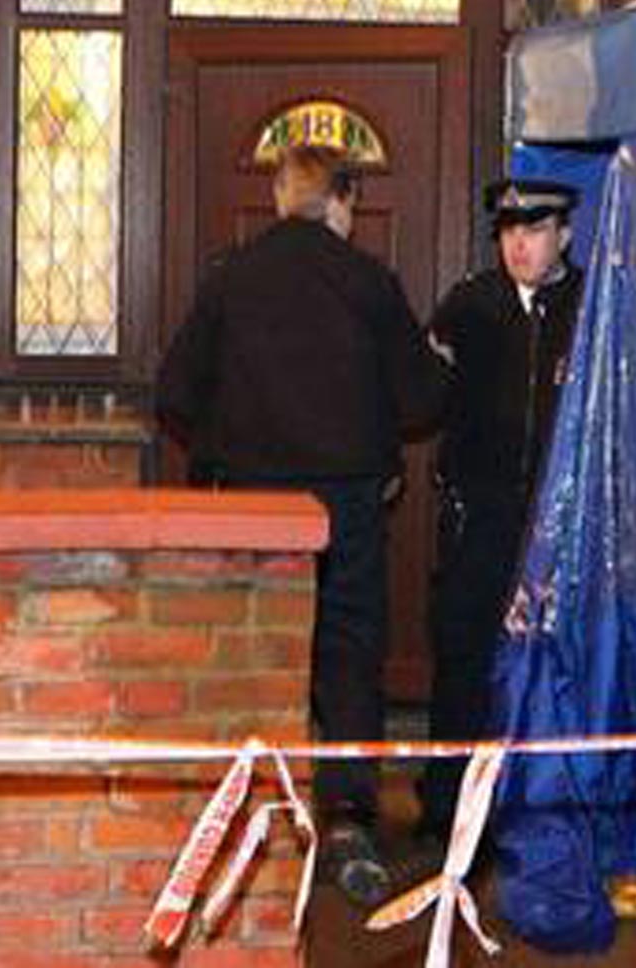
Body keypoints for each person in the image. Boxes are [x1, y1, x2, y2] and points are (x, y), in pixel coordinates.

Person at [155, 144, 445, 908]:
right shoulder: (369, 282)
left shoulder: (231, 280)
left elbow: (175, 391)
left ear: (284, 198)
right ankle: (348, 819)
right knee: (349, 652)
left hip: (253, 501)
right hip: (345, 504)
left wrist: (221, 448)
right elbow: (421, 403)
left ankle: (250, 814)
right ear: (342, 200)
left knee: (258, 648)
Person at [419, 175, 584, 842]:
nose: (519, 244)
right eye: (509, 232)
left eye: (535, 230)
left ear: (563, 235)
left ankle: (544, 814)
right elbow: (427, 397)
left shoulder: (585, 305)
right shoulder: (470, 307)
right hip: (481, 516)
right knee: (463, 660)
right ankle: (448, 811)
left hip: (558, 521)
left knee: (554, 664)